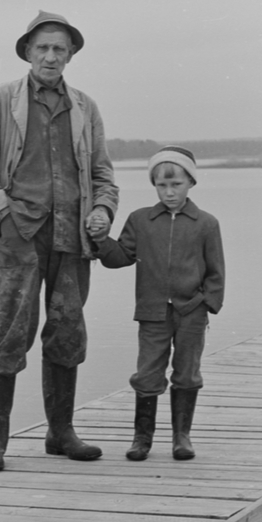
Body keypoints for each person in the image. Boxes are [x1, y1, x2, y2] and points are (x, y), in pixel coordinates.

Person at [0, 11, 118, 471]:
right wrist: (5, 220)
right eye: (43, 48)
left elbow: (104, 176)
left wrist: (102, 211)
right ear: (28, 52)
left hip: (72, 241)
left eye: (60, 49)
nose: (51, 56)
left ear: (70, 56)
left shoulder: (86, 108)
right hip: (19, 239)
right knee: (9, 336)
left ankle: (61, 432)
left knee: (68, 332)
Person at [93, 146, 224, 460]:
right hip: (152, 312)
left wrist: (207, 304)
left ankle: (182, 438)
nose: (168, 192)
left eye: (176, 185)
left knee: (187, 373)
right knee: (148, 374)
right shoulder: (141, 220)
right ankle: (142, 440)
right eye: (161, 186)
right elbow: (120, 257)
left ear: (191, 182)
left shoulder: (206, 224)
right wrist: (99, 240)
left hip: (192, 312)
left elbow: (216, 272)